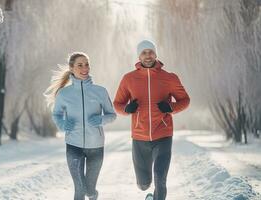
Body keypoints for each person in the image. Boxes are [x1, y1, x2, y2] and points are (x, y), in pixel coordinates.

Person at [113, 40, 190, 200]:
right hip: (139, 138)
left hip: (163, 135)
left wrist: (171, 107)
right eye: (144, 53)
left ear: (156, 54)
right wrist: (127, 109)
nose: (148, 56)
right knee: (143, 184)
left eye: (151, 52)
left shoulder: (169, 78)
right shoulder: (129, 79)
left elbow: (185, 100)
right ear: (139, 56)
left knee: (160, 179)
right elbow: (117, 104)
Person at [45, 52, 116, 200]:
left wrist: (101, 119)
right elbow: (56, 114)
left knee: (89, 190)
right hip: (73, 145)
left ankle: (93, 194)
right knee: (79, 189)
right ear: (71, 68)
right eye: (80, 65)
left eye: (87, 64)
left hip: (96, 146)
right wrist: (63, 124)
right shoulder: (64, 94)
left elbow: (112, 115)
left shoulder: (100, 91)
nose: (85, 68)